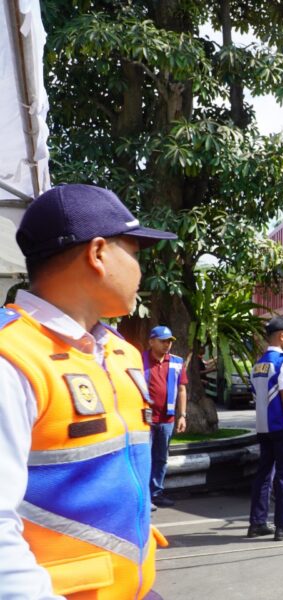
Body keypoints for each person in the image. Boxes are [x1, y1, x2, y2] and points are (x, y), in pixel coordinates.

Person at [0, 184, 176, 598]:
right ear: (97, 253)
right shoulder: (12, 358)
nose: (140, 271)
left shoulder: (120, 351)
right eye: (134, 253)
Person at [247, 316, 283, 541]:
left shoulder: (258, 364)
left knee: (263, 475)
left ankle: (257, 523)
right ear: (281, 336)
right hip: (282, 427)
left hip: (264, 428)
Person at [143, 325, 188, 509]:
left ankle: (156, 493)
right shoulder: (139, 360)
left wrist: (182, 415)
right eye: (162, 341)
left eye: (169, 341)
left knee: (161, 458)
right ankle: (144, 496)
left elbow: (182, 389)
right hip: (144, 419)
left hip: (167, 419)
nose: (167, 344)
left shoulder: (177, 362)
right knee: (144, 457)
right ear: (151, 342)